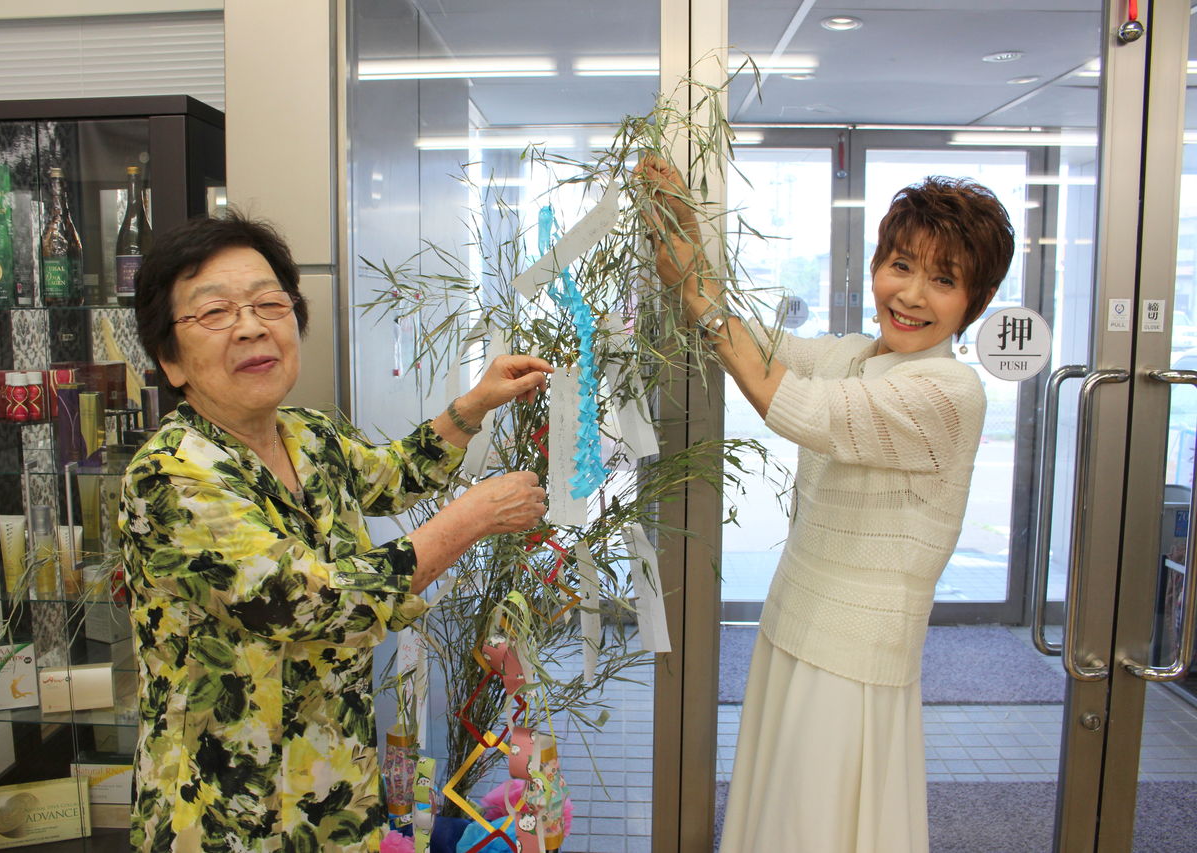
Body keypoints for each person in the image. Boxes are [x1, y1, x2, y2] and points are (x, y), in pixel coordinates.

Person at [118, 211, 553, 852]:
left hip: (334, 788)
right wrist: (471, 519)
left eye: (269, 303)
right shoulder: (170, 476)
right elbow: (316, 602)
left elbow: (394, 476)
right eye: (214, 312)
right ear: (170, 359)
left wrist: (475, 403)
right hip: (226, 811)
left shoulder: (307, 433)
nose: (251, 326)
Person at [639, 159, 1014, 852]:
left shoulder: (948, 392)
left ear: (978, 298)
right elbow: (761, 344)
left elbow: (794, 404)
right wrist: (690, 237)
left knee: (815, 823)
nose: (911, 294)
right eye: (901, 265)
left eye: (943, 279)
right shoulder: (857, 355)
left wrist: (694, 288)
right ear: (877, 264)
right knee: (779, 810)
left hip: (853, 658)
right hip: (794, 623)